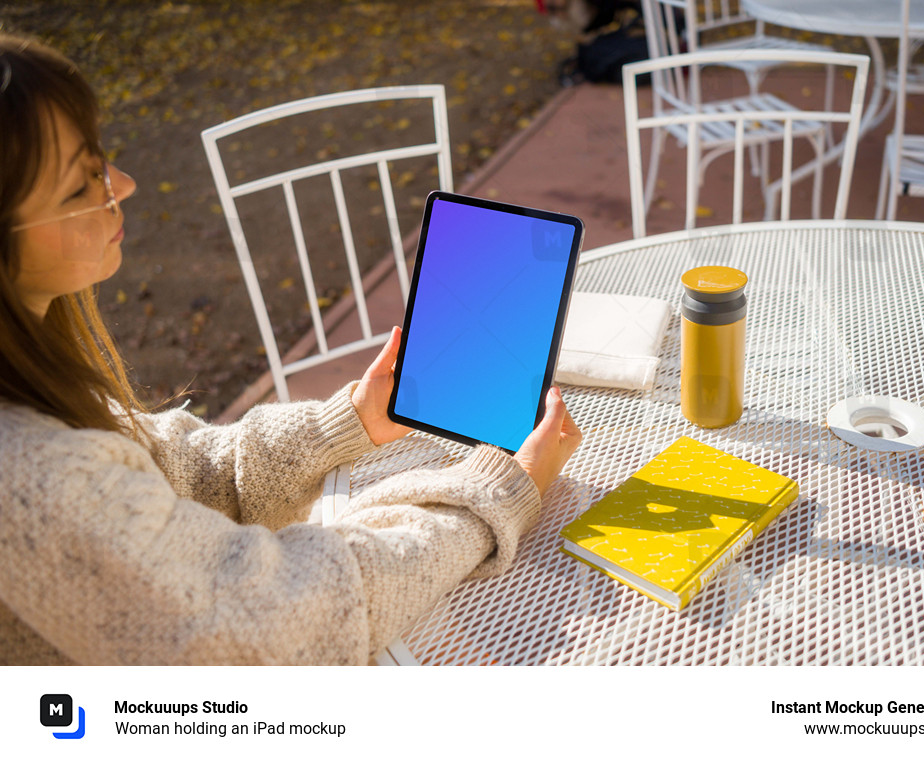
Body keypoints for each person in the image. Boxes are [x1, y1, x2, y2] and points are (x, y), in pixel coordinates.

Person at [0, 34, 582, 665]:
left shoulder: (34, 386)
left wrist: (345, 423)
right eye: (82, 185)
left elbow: (183, 473)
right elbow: (278, 618)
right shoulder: (31, 482)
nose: (125, 183)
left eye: (102, 161)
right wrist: (501, 491)